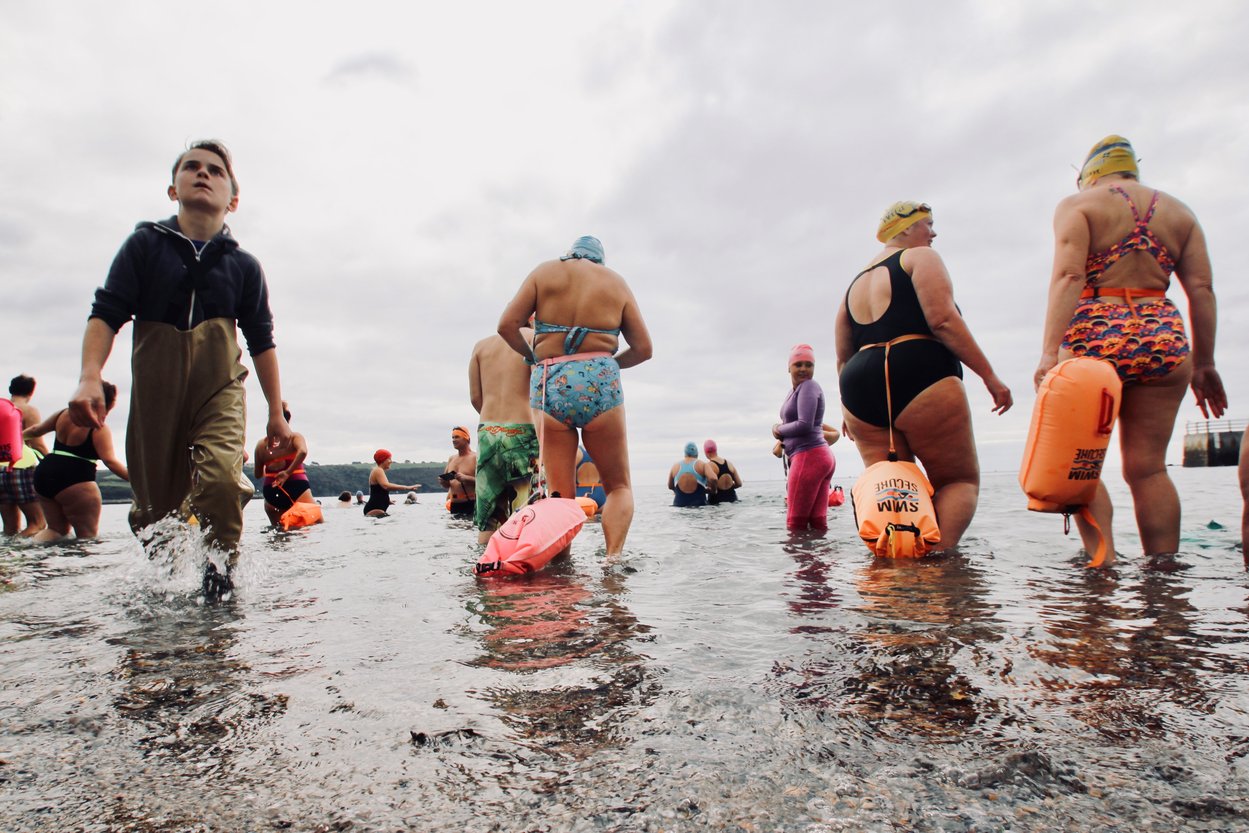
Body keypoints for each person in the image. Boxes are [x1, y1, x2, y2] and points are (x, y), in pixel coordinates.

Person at [67, 140, 292, 598]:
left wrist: (274, 412)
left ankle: (219, 578)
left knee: (222, 483)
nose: (202, 173)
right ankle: (167, 589)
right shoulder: (144, 246)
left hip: (220, 388)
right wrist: (90, 375)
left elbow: (262, 341)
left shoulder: (243, 266)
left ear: (233, 197)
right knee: (155, 511)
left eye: (214, 169)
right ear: (174, 189)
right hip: (156, 392)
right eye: (191, 167)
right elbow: (106, 312)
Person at [1036, 136, 1226, 562]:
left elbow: (1068, 277)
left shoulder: (1078, 206)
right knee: (1149, 468)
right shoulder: (1181, 213)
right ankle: (1163, 575)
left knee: (1080, 464)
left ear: (1089, 174)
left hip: (1093, 332)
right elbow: (1202, 289)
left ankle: (1103, 566)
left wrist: (1050, 352)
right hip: (1162, 333)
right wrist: (1206, 363)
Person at [835, 201, 1012, 550]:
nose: (933, 233)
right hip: (919, 370)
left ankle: (897, 577)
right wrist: (990, 377)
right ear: (903, 229)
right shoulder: (919, 258)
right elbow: (943, 320)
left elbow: (842, 357)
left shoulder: (852, 287)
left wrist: (847, 412)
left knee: (895, 488)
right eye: (927, 225)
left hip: (859, 389)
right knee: (957, 481)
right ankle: (938, 571)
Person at [497, 235, 654, 555]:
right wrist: (609, 365)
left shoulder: (544, 272)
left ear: (570, 255)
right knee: (619, 487)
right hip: (600, 382)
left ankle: (561, 567)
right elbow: (643, 349)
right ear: (600, 260)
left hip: (550, 379)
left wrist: (532, 356)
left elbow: (507, 326)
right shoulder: (616, 283)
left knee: (559, 495)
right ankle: (612, 563)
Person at [23, 382, 129, 542]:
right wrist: (136, 481)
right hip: (75, 478)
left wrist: (11, 440)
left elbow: (34, 431)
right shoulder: (98, 427)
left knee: (54, 530)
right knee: (87, 537)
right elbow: (110, 461)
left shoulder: (63, 414)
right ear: (109, 402)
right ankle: (84, 567)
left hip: (44, 474)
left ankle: (31, 554)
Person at [469, 330, 539, 545]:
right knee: (527, 511)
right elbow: (539, 389)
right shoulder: (533, 338)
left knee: (489, 516)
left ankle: (484, 570)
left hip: (488, 431)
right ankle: (527, 573)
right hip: (523, 430)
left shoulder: (480, 346)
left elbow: (475, 398)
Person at [773, 345, 835, 532]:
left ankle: (800, 561)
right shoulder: (796, 390)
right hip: (816, 457)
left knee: (795, 525)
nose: (803, 369)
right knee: (817, 524)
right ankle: (822, 561)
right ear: (789, 367)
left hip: (809, 456)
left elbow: (805, 424)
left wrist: (778, 429)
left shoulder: (809, 386)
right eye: (798, 364)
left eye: (809, 365)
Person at [253, 403, 317, 527]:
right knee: (314, 523)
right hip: (296, 485)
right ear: (287, 420)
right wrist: (287, 472)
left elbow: (257, 474)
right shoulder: (295, 437)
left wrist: (272, 466)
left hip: (271, 491)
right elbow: (303, 451)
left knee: (279, 531)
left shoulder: (261, 445)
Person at [1, 375, 48, 536]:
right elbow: (37, 443)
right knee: (38, 523)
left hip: (0, 470)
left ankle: (8, 555)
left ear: (10, 389)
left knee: (9, 529)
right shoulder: (28, 410)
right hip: (21, 467)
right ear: (31, 392)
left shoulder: (2, 409)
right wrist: (50, 461)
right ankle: (23, 553)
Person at [364, 449, 419, 517]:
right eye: (389, 459)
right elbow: (386, 486)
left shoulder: (378, 470)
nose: (391, 461)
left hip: (375, 508)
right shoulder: (378, 470)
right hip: (374, 509)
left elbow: (374, 490)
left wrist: (386, 500)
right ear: (383, 460)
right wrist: (407, 487)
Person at [443, 427, 478, 516]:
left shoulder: (475, 457)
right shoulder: (451, 459)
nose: (454, 440)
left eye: (457, 437)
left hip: (472, 503)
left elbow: (486, 482)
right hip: (454, 505)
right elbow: (447, 485)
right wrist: (443, 481)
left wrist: (467, 478)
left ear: (467, 439)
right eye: (453, 437)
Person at [668, 442, 713, 507]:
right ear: (697, 453)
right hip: (699, 505)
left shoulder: (675, 466)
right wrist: (713, 490)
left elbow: (670, 486)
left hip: (679, 505)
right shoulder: (702, 465)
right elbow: (713, 478)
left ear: (685, 453)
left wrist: (677, 492)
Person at [703, 439, 743, 504]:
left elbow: (711, 486)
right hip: (733, 500)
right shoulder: (729, 464)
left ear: (705, 452)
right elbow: (739, 483)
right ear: (716, 449)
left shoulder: (709, 466)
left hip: (716, 502)